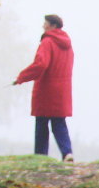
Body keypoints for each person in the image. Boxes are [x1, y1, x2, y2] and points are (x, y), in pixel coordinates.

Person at [13, 14, 74, 161]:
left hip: (47, 90)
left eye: (45, 23)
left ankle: (41, 158)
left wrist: (22, 77)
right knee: (59, 123)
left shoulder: (47, 42)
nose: (43, 26)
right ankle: (67, 153)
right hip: (62, 91)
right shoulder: (68, 46)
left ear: (52, 26)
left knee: (41, 124)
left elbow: (41, 64)